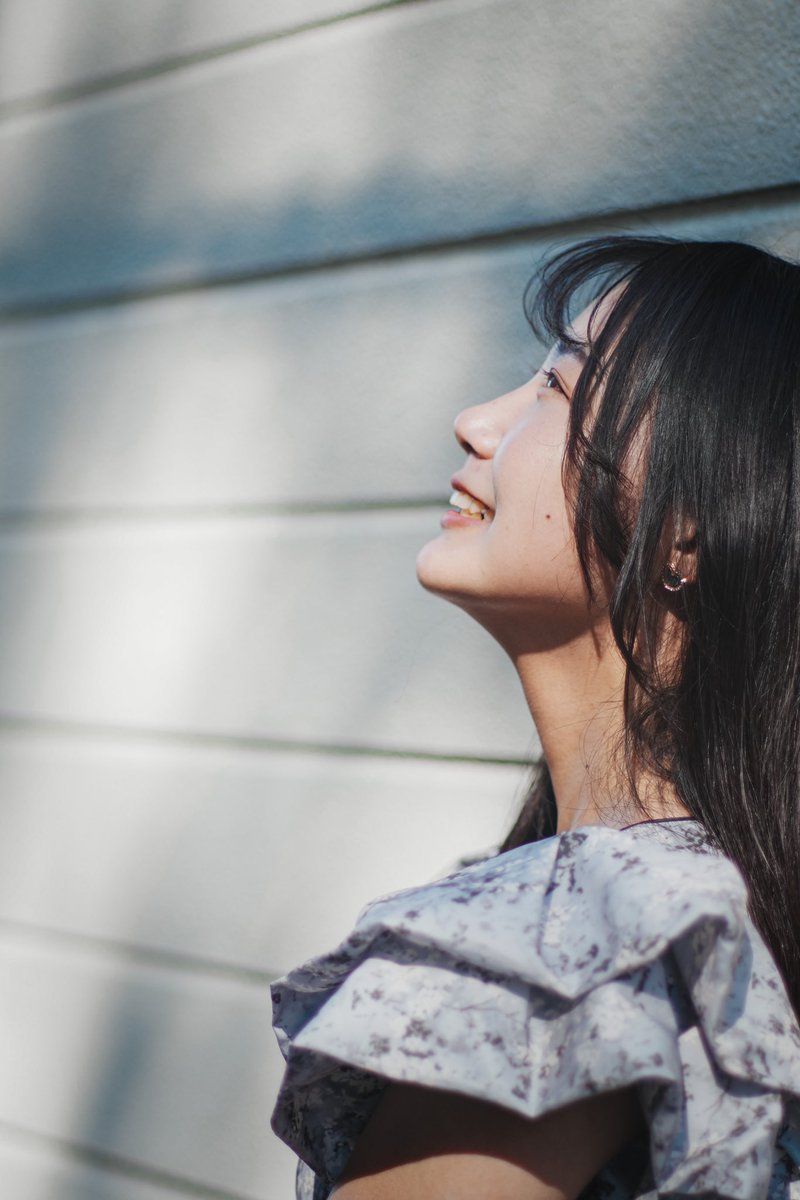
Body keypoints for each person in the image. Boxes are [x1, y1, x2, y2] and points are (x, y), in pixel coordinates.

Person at [271, 236, 800, 1198]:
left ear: (688, 530)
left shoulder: (585, 942)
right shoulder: (709, 909)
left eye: (556, 389)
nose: (476, 422)